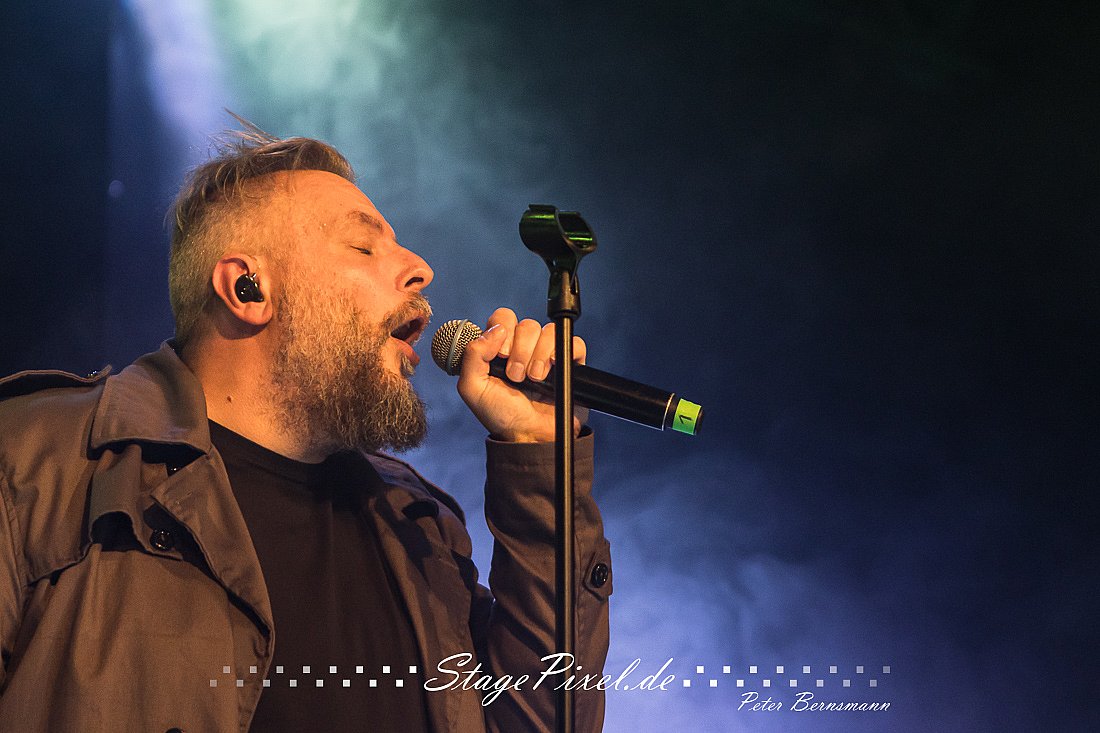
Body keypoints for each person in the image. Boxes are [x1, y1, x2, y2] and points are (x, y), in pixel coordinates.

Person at [0, 127, 611, 732]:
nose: (420, 269)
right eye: (363, 247)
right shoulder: (36, 462)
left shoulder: (418, 528)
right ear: (248, 289)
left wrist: (540, 458)